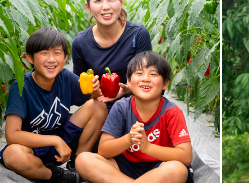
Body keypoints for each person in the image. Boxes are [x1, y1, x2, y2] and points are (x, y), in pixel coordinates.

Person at [0, 27, 108, 183]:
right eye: (43, 53)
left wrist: (95, 91)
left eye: (57, 53)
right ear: (29, 58)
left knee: (99, 106)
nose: (51, 59)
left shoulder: (66, 77)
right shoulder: (21, 87)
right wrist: (55, 141)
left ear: (65, 57)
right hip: (35, 147)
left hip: (66, 140)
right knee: (12, 155)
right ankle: (57, 176)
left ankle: (78, 164)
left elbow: (94, 103)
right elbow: (12, 135)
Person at [75, 51, 194, 183]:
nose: (146, 78)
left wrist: (148, 148)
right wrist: (129, 139)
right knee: (82, 160)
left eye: (153, 74)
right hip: (126, 167)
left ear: (165, 84)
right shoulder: (121, 107)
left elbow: (186, 156)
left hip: (159, 167)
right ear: (129, 82)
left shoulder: (171, 112)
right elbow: (103, 150)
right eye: (139, 73)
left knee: (177, 170)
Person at [72, 0, 153, 106]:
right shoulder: (80, 42)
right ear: (88, 7)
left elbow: (149, 80)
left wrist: (128, 89)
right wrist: (93, 93)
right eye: (98, 1)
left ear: (121, 2)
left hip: (134, 106)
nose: (106, 6)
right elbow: (78, 90)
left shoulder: (138, 34)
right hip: (100, 108)